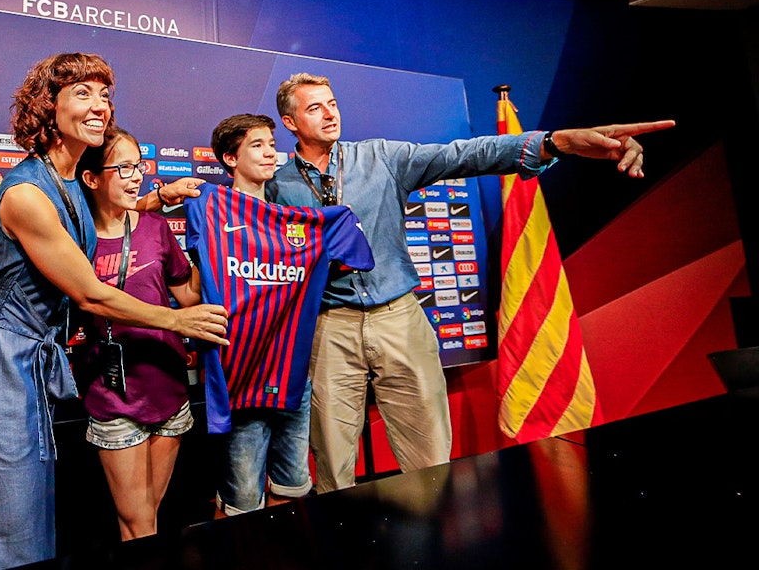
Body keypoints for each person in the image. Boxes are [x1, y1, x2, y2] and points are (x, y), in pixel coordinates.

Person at [266, 72, 675, 493]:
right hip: (328, 327)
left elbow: (465, 154)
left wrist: (557, 142)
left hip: (399, 319)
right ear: (290, 122)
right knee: (332, 463)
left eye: (332, 103)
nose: (330, 114)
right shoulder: (276, 186)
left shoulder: (381, 157)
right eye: (315, 108)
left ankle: (433, 540)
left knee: (430, 459)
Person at [0, 53, 228, 570]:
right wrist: (177, 320)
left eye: (105, 94)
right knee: (9, 517)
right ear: (47, 106)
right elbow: (89, 292)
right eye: (82, 93)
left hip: (29, 359)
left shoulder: (71, 178)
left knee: (29, 511)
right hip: (3, 367)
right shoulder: (27, 192)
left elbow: (80, 246)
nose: (100, 106)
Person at [185, 114, 373, 516]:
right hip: (239, 375)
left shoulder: (301, 219)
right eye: (257, 144)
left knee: (292, 487)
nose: (271, 151)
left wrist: (340, 223)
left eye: (272, 142)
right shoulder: (208, 204)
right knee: (242, 502)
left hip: (291, 375)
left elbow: (355, 256)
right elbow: (193, 282)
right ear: (229, 158)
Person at [74, 126, 202, 541]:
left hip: (168, 386)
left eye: (139, 166)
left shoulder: (154, 227)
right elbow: (33, 300)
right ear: (91, 178)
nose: (136, 177)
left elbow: (189, 295)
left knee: (150, 513)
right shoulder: (74, 240)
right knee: (137, 523)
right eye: (124, 167)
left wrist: (224, 246)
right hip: (115, 396)